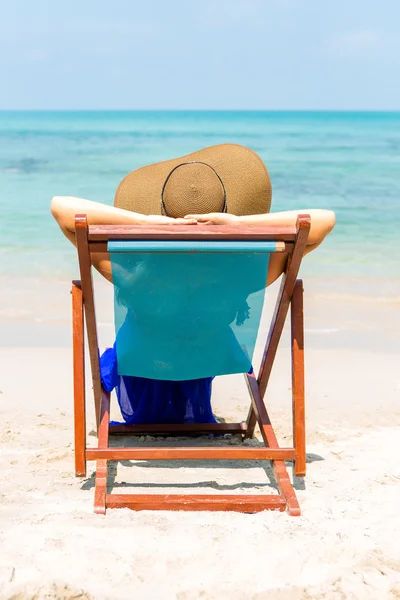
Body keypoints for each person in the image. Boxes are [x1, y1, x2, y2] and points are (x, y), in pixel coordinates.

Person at [51, 144, 335, 424]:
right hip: (211, 357)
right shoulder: (241, 278)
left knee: (133, 346)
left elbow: (61, 208)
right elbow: (324, 220)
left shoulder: (135, 278)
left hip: (140, 360)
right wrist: (238, 224)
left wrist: (145, 222)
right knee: (200, 341)